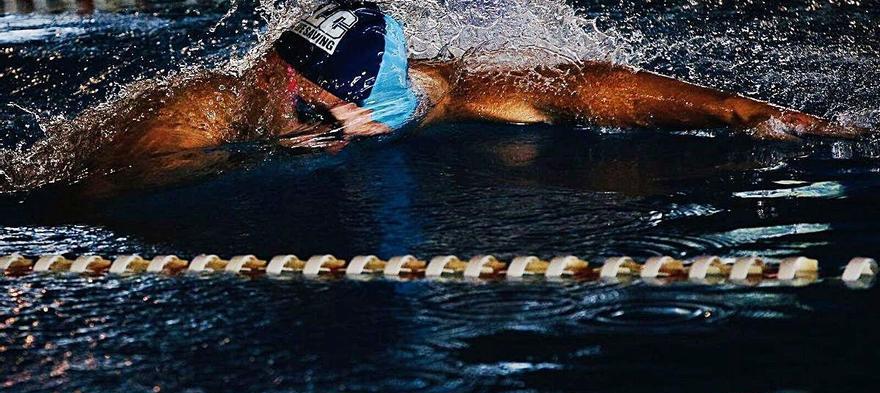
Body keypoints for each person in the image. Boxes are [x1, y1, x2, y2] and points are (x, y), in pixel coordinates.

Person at [15, 0, 864, 194]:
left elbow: (590, 89)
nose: (332, 131)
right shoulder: (198, 113)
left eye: (351, 116)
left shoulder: (439, 95)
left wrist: (744, 113)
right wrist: (269, 152)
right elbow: (89, 197)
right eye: (307, 107)